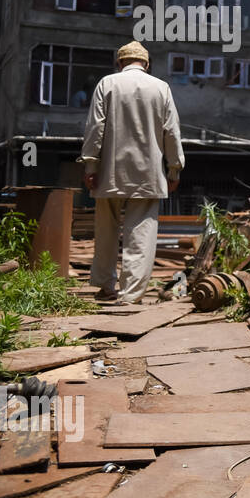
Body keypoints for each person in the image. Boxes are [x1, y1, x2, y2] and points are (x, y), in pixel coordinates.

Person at [78, 42, 184, 304]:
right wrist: (174, 169)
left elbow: (95, 128)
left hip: (110, 171)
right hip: (148, 174)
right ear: (146, 64)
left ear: (120, 62)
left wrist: (91, 165)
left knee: (106, 229)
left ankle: (106, 285)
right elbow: (171, 131)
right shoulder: (161, 88)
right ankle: (131, 294)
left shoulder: (107, 84)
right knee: (142, 233)